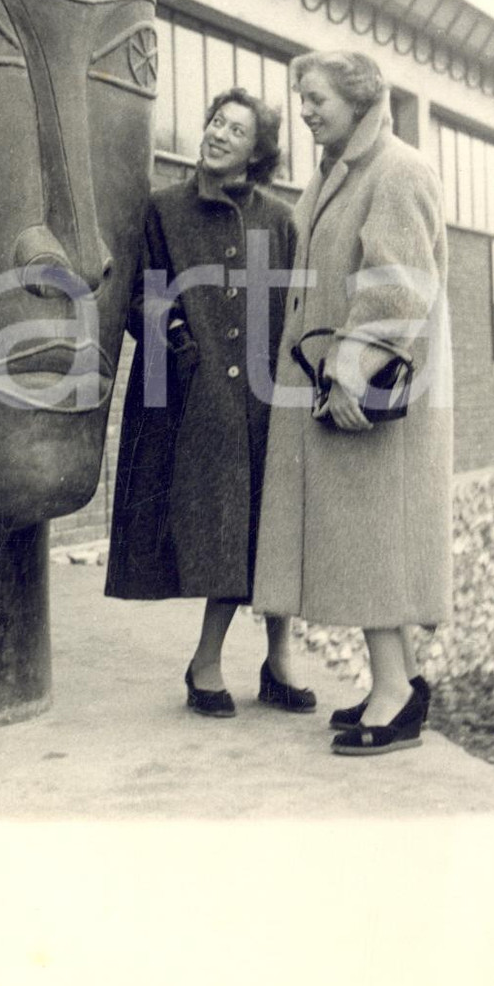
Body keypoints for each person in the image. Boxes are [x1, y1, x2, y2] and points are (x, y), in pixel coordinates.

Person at [254, 51, 452, 755]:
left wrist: (349, 369)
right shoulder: (342, 171)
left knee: (373, 542)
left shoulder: (398, 169)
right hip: (342, 385)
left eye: (316, 98)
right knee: (370, 541)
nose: (304, 109)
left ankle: (396, 697)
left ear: (358, 97)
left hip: (372, 394)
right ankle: (396, 683)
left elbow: (398, 285)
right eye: (300, 98)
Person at [106, 87, 316, 717]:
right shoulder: (163, 209)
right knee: (225, 528)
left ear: (258, 154)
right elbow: (138, 292)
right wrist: (174, 335)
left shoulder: (279, 220)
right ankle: (206, 663)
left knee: (276, 524)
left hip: (268, 396)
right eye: (216, 122)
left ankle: (279, 663)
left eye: (237, 131)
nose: (219, 134)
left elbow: (298, 303)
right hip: (193, 398)